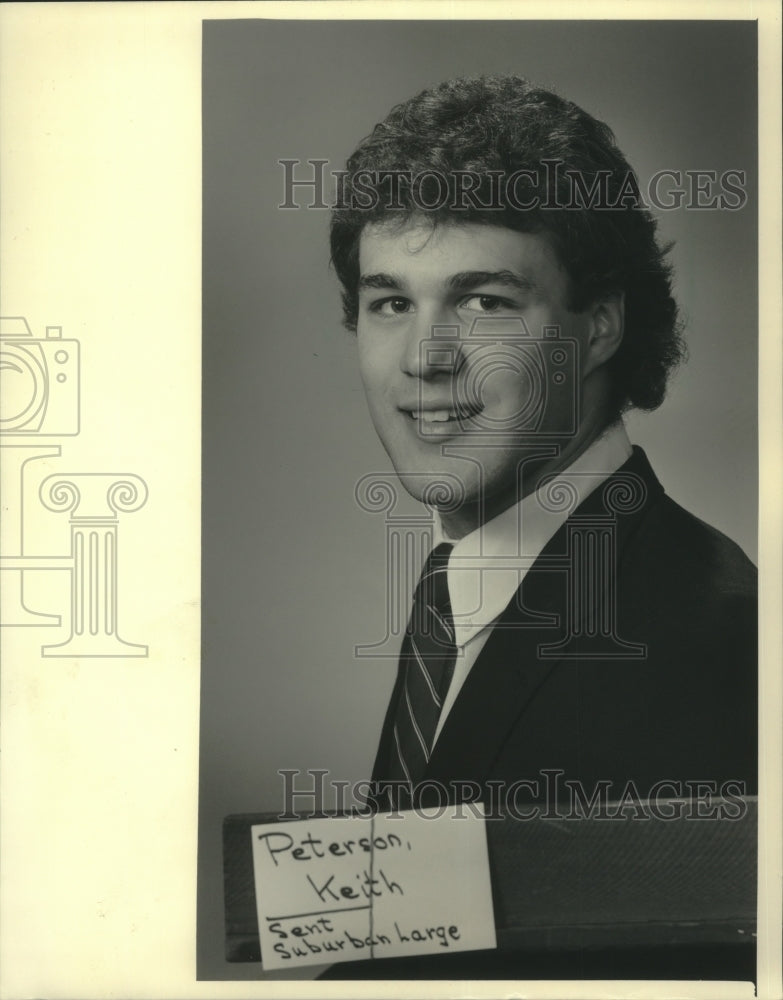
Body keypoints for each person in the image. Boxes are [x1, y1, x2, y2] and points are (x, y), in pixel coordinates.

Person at [323, 75, 757, 979]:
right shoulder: (463, 589)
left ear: (597, 328)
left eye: (484, 303)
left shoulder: (722, 640)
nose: (425, 359)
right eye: (390, 302)